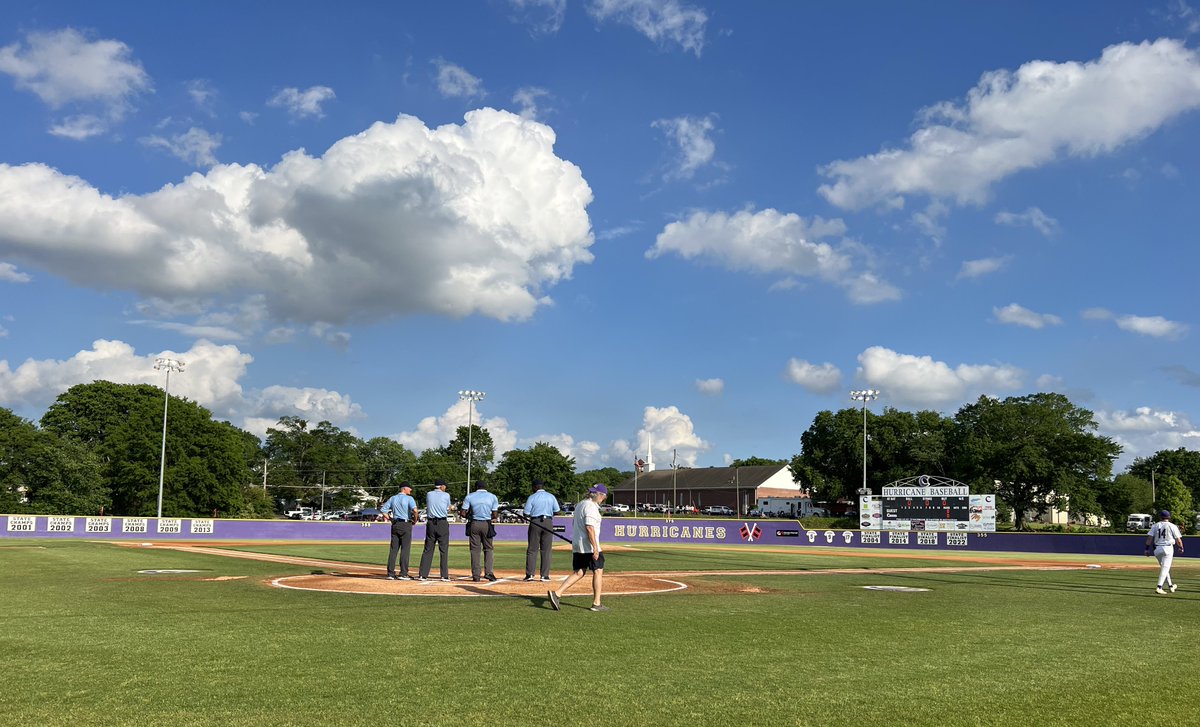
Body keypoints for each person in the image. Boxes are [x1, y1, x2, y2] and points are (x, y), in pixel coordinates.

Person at [549, 483, 608, 612]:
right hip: (589, 546)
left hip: (578, 545)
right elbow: (590, 527)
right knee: (598, 570)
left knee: (579, 572)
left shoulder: (580, 504)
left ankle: (557, 593)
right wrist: (595, 548)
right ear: (602, 496)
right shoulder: (591, 507)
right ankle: (597, 603)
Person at [522, 478, 561, 582]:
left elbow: (526, 513)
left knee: (532, 549)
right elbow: (557, 511)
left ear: (535, 487)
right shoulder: (551, 496)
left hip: (535, 522)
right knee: (546, 550)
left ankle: (530, 574)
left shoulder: (532, 497)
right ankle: (545, 575)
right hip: (548, 522)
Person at [460, 481, 499, 582]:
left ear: (476, 487)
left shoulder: (470, 496)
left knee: (475, 550)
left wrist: (470, 515)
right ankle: (489, 573)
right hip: (487, 524)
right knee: (488, 549)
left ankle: (476, 575)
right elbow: (494, 515)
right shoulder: (492, 497)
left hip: (474, 524)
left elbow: (463, 513)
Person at [381, 482, 419, 580]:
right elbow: (415, 510)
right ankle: (403, 573)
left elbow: (383, 510)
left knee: (393, 550)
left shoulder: (393, 498)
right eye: (409, 488)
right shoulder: (409, 499)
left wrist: (390, 519)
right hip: (406, 524)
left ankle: (390, 573)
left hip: (395, 524)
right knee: (405, 549)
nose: (410, 490)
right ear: (404, 489)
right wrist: (415, 520)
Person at [418, 479, 453, 582]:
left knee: (428, 549)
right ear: (441, 486)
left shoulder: (429, 494)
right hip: (442, 522)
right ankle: (444, 575)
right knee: (443, 549)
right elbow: (449, 508)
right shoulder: (446, 495)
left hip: (430, 523)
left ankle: (423, 574)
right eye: (444, 486)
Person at [1145, 509, 1184, 594]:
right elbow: (1178, 540)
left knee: (1164, 568)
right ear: (1169, 517)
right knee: (1165, 568)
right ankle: (1159, 587)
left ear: (1160, 517)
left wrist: (1147, 549)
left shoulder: (1155, 525)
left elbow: (1149, 538)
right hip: (1168, 548)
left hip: (1157, 549)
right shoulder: (1172, 526)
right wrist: (1181, 548)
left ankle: (1170, 586)